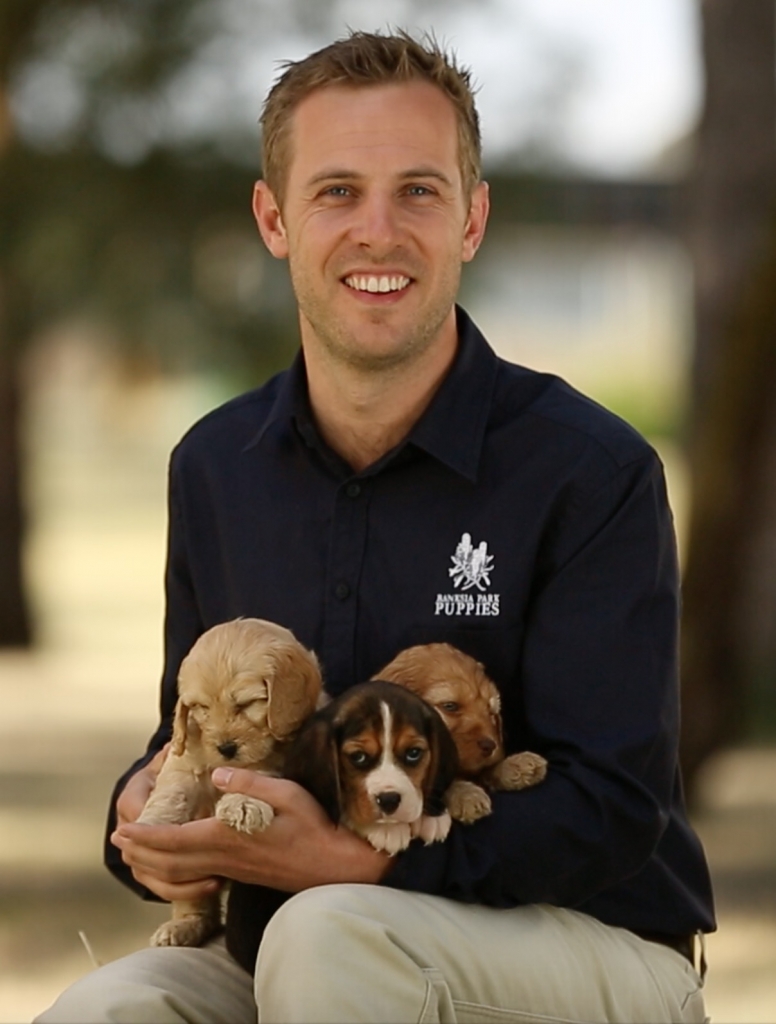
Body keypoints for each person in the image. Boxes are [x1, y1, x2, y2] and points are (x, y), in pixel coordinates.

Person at [36, 28, 715, 1024]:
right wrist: (143, 819)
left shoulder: (591, 469)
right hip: (293, 937)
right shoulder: (215, 465)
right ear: (274, 218)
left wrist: (351, 856)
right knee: (112, 1008)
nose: (378, 231)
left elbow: (608, 807)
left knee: (329, 935)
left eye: (418, 191)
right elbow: (195, 733)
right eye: (337, 191)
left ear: (471, 219)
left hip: (585, 946)